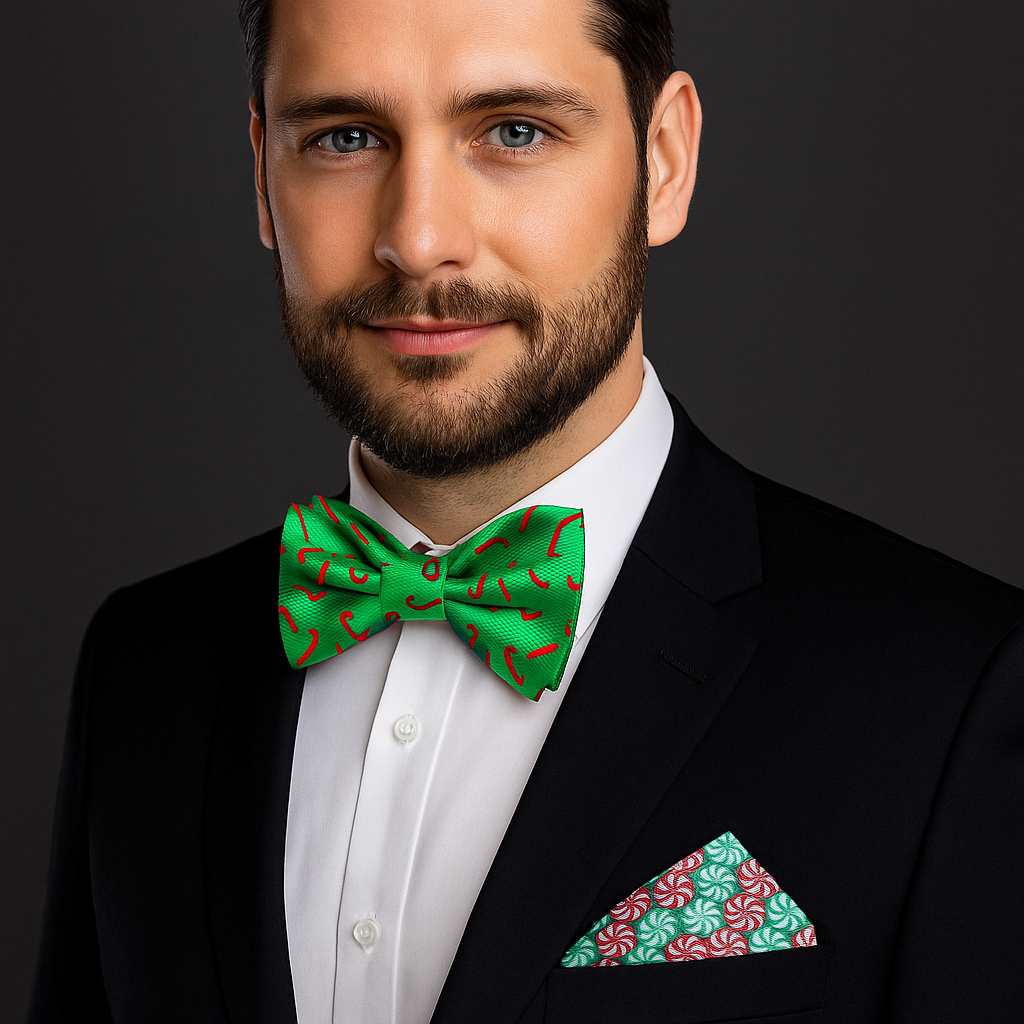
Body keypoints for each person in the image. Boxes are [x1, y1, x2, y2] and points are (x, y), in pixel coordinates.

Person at [27, 0, 1024, 1021]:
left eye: (514, 131)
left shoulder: (951, 694)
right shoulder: (144, 668)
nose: (417, 242)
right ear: (262, 179)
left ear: (665, 160)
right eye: (344, 138)